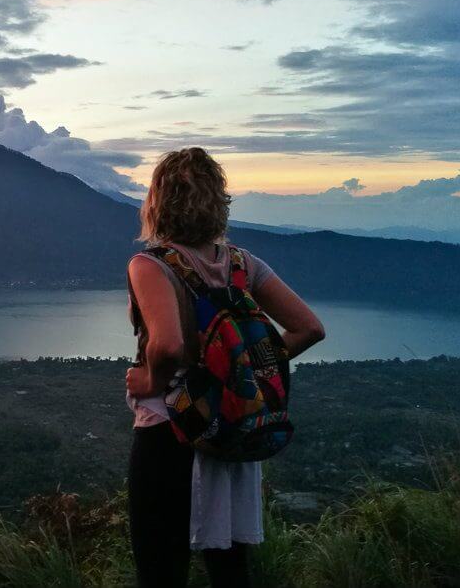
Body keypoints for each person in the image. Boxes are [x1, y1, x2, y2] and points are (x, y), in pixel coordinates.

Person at [125, 148, 325, 588]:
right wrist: (241, 372)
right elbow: (308, 328)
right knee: (230, 569)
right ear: (219, 200)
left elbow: (169, 345)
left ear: (157, 202)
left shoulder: (151, 265)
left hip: (171, 429)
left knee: (160, 567)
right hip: (233, 429)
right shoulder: (243, 264)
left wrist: (149, 379)